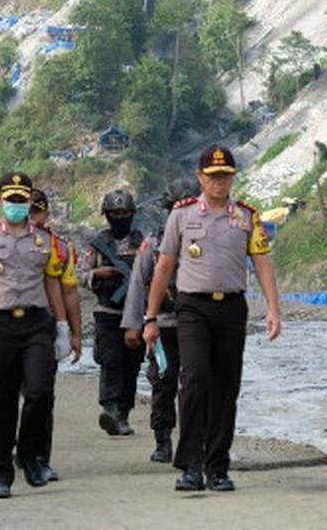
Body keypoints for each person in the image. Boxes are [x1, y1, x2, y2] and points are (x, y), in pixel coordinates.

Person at [142, 145, 282, 493]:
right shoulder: (182, 215)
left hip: (232, 309)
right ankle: (190, 465)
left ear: (233, 178)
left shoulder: (247, 216)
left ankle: (217, 466)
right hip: (192, 308)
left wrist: (274, 309)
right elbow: (164, 267)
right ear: (200, 178)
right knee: (194, 381)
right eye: (213, 176)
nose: (219, 182)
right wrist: (150, 317)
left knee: (225, 387)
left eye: (226, 176)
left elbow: (262, 263)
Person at [0, 172, 78, 499]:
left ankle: (30, 456)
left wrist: (62, 327)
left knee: (40, 391)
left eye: (21, 200)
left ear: (29, 201)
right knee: (0, 401)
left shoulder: (44, 238)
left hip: (36, 323)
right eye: (10, 199)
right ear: (0, 201)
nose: (16, 205)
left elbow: (53, 282)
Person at [122, 177, 199, 463]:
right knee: (163, 381)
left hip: (198, 326)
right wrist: (134, 325)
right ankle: (163, 438)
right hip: (164, 325)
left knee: (197, 385)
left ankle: (194, 441)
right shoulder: (153, 243)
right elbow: (138, 284)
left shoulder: (205, 236)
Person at [79, 189, 145, 436]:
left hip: (136, 312)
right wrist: (98, 274)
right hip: (107, 310)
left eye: (124, 212)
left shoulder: (143, 243)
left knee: (132, 364)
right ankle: (110, 409)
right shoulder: (97, 244)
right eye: (115, 213)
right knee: (109, 360)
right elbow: (81, 275)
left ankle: (124, 413)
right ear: (107, 215)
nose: (120, 217)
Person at [28, 189, 83, 483]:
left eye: (37, 213)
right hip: (5, 327)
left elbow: (70, 292)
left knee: (41, 394)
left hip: (45, 327)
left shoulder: (60, 248)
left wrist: (74, 333)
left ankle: (39, 457)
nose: (31, 219)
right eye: (27, 213)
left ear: (46, 215)